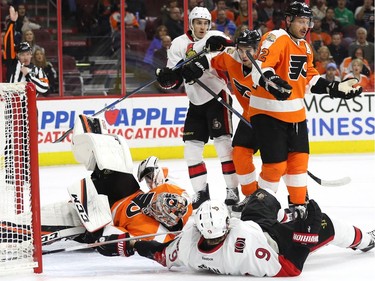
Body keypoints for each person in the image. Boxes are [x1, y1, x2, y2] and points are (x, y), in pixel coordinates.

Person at [248, 1, 362, 217]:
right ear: (289, 20)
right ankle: (258, 212)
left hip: (296, 115)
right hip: (269, 113)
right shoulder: (275, 38)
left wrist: (335, 88)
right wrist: (271, 81)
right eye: (300, 21)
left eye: (307, 21)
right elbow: (260, 69)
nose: (305, 26)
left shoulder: (305, 46)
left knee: (298, 164)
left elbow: (310, 80)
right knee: (275, 168)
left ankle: (298, 208)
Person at [129, 191, 374, 277]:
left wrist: (133, 247)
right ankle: (367, 241)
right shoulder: (247, 244)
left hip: (256, 226)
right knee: (328, 225)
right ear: (227, 224)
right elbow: (290, 267)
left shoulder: (189, 249)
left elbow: (162, 254)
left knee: (261, 197)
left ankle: (283, 214)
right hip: (274, 240)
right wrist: (307, 236)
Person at [155, 6, 239, 209]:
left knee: (223, 146)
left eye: (205, 23)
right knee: (191, 151)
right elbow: (174, 80)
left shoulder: (215, 37)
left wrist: (208, 57)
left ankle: (232, 190)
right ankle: (201, 192)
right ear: (191, 24)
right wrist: (168, 79)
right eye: (198, 23)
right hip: (195, 102)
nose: (202, 27)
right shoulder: (178, 44)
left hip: (217, 96)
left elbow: (233, 49)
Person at [179, 29, 261, 212]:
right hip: (246, 114)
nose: (244, 54)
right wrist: (190, 68)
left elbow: (224, 45)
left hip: (271, 116)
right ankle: (249, 196)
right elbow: (212, 60)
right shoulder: (231, 57)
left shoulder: (266, 62)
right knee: (236, 153)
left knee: (276, 163)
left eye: (249, 49)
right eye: (242, 49)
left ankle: (293, 199)